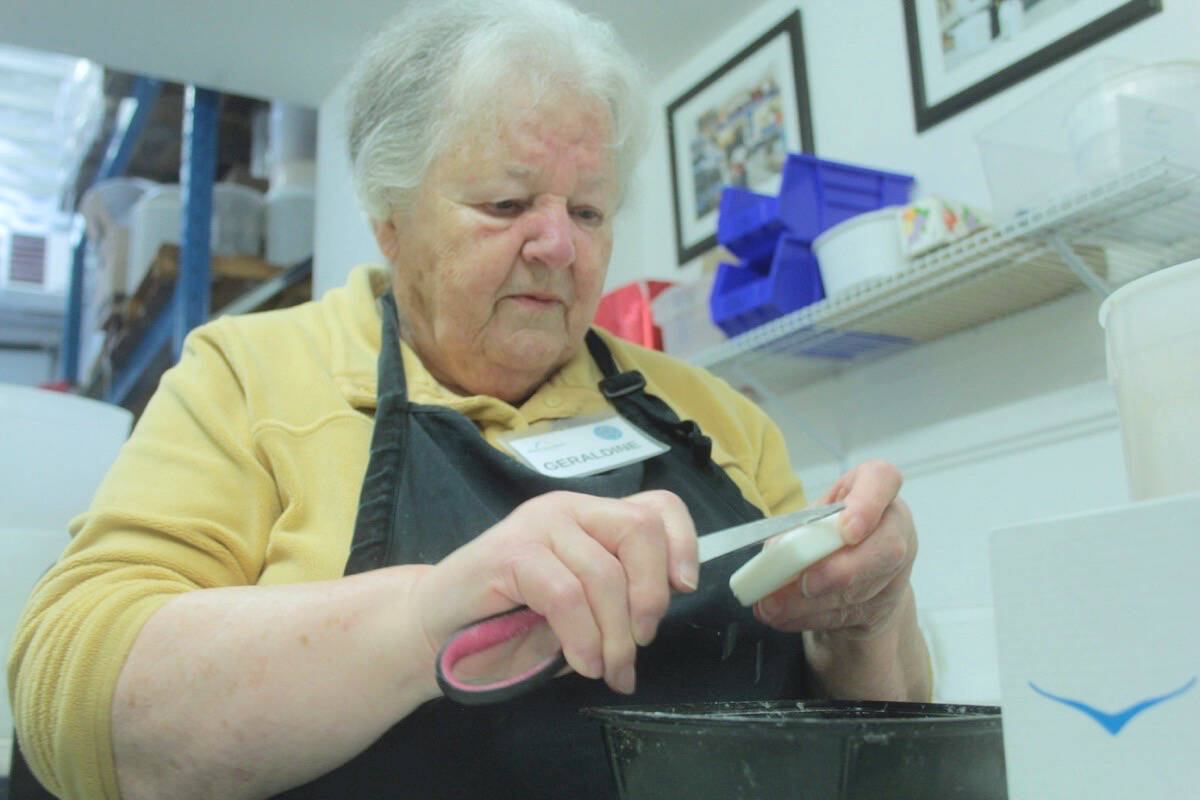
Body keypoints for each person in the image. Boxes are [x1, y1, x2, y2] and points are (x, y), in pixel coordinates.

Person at [7, 1, 930, 798]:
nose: (558, 247)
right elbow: (70, 700)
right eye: (504, 204)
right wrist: (427, 618)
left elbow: (880, 748)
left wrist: (873, 618)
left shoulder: (717, 416)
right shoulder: (250, 376)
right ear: (390, 219)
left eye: (589, 211)